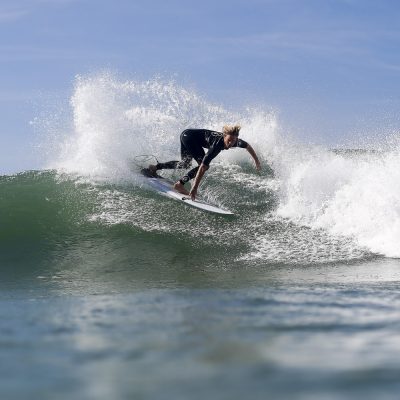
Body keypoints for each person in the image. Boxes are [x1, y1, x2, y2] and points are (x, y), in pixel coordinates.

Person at [148, 125, 261, 200]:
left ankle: (155, 167)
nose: (230, 143)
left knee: (185, 164)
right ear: (224, 137)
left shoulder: (236, 142)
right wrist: (194, 188)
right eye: (228, 140)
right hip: (189, 138)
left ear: (237, 139)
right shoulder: (217, 145)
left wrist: (256, 160)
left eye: (233, 141)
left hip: (186, 134)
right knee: (203, 165)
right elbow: (202, 167)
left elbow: (248, 146)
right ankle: (179, 184)